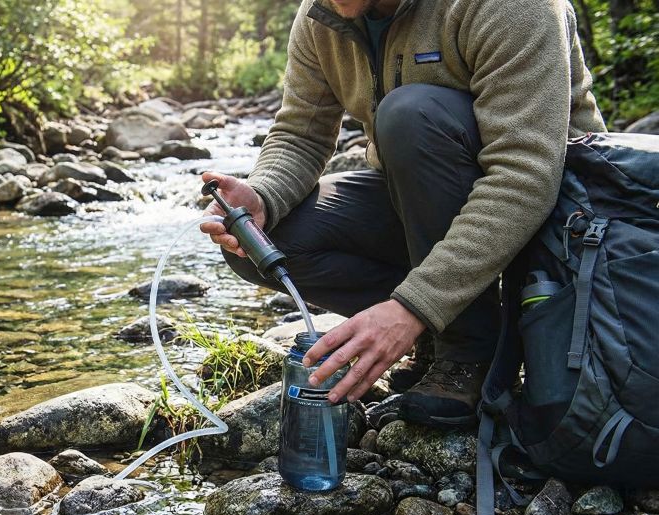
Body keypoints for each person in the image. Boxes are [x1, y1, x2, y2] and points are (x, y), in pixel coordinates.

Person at [200, 0, 606, 427]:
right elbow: (301, 134)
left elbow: (525, 175)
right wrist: (263, 196)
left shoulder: (511, 6)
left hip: (556, 222)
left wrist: (414, 306)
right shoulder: (322, 14)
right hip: (425, 203)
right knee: (259, 244)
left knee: (410, 113)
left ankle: (468, 351)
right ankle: (447, 328)